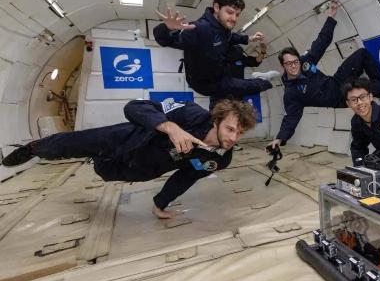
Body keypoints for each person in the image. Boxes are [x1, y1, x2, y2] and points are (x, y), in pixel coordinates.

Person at [1, 99, 256, 219]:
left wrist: (160, 203)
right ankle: (33, 148)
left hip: (137, 169)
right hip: (124, 139)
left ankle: (94, 161)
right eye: (230, 129)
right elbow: (134, 107)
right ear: (216, 121)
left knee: (102, 170)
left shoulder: (220, 159)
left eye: (240, 133)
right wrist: (170, 127)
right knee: (71, 144)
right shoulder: (191, 114)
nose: (233, 138)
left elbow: (185, 177)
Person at [268, 0, 380, 149]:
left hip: (336, 81)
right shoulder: (291, 94)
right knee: (359, 95)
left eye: (295, 62)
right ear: (282, 65)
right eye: (288, 64)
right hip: (337, 99)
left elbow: (321, 42)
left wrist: (331, 16)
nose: (293, 66)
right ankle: (374, 90)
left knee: (361, 54)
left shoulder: (306, 62)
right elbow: (290, 119)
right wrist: (280, 138)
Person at [153, 0, 279, 108]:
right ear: (217, 7)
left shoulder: (223, 27)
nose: (234, 18)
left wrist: (248, 38)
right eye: (230, 12)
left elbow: (229, 37)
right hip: (205, 84)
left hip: (219, 74)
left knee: (238, 92)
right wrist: (166, 28)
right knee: (248, 87)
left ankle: (261, 81)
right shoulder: (199, 29)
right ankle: (265, 81)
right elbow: (166, 41)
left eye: (237, 14)